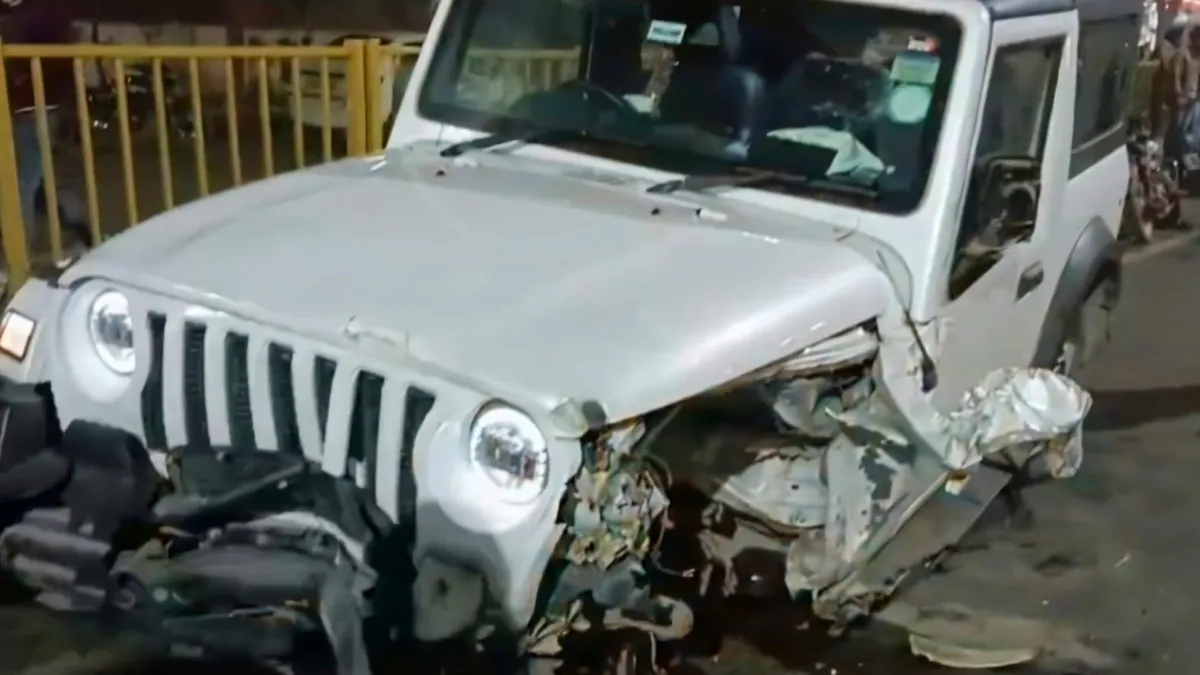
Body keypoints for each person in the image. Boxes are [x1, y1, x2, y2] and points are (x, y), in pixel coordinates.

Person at [2, 0, 76, 244]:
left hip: (28, 106)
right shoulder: (46, 17)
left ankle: (24, 239)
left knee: (32, 176)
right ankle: (26, 239)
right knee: (37, 176)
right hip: (43, 105)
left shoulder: (16, 21)